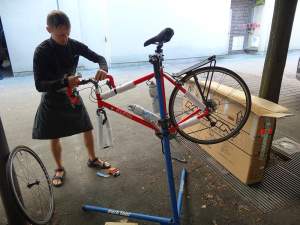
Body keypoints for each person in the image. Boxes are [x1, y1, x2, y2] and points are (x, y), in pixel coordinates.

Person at [33, 10, 111, 187]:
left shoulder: (73, 45)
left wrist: (103, 68)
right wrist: (64, 81)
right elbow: (39, 85)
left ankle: (93, 159)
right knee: (54, 135)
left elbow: (98, 57)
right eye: (61, 34)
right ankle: (59, 168)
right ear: (49, 30)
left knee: (86, 127)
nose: (65, 38)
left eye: (68, 33)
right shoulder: (42, 51)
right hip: (52, 99)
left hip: (72, 95)